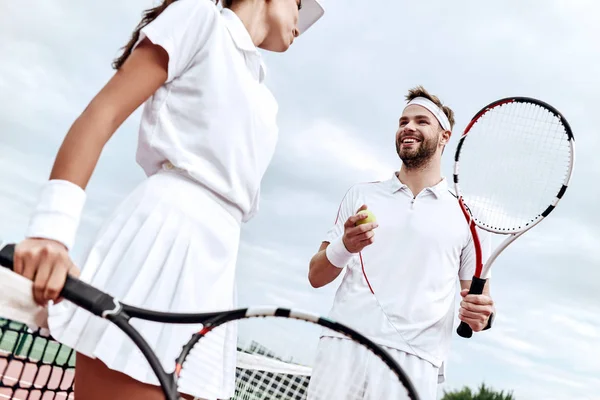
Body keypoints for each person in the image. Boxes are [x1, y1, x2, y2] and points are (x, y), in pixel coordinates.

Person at [11, 0, 324, 399]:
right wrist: (51, 233)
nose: (302, 22)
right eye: (300, 5)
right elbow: (102, 113)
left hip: (216, 269)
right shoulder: (200, 19)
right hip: (164, 242)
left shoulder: (265, 99)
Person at [307, 86, 496, 400]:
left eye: (422, 121)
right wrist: (346, 246)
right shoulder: (361, 195)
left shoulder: (469, 217)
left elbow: (481, 310)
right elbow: (316, 276)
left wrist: (481, 316)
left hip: (417, 361)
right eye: (403, 121)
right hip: (344, 344)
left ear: (445, 137)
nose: (408, 127)